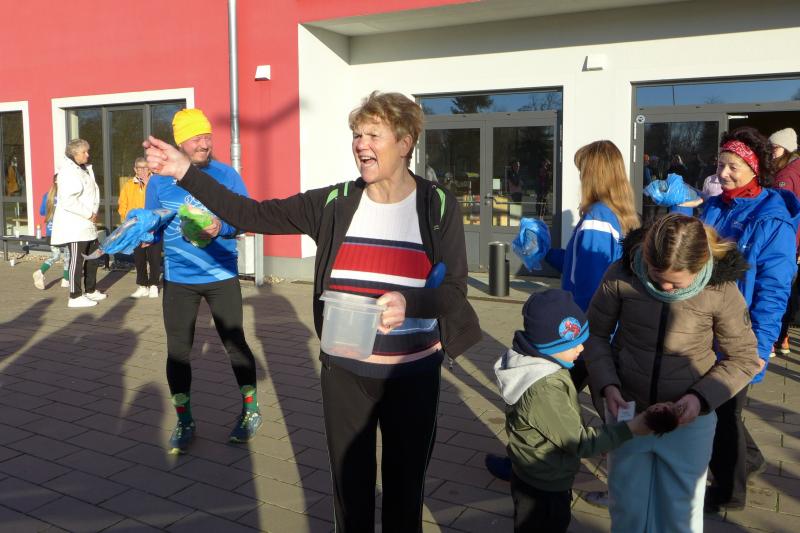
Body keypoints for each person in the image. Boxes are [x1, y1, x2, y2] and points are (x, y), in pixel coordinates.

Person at [144, 91, 481, 533]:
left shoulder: (437, 205)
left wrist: (410, 303)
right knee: (350, 494)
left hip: (412, 373)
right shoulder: (334, 203)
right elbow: (251, 213)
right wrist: (185, 172)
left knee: (404, 495)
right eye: (357, 135)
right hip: (345, 373)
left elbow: (454, 292)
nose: (361, 144)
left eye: (373, 135)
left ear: (405, 142)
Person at [585, 213, 761, 532]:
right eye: (656, 276)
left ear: (700, 266)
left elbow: (743, 357)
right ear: (645, 256)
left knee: (680, 515)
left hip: (689, 421)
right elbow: (595, 335)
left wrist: (699, 399)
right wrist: (607, 385)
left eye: (676, 283)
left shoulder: (720, 289)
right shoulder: (621, 273)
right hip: (628, 411)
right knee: (626, 509)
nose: (664, 287)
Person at [486, 140, 640, 484]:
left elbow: (592, 284)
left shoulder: (598, 218)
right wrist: (545, 252)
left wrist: (569, 334)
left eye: (582, 171)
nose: (579, 178)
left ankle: (622, 477)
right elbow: (578, 264)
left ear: (594, 174)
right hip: (594, 333)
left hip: (584, 334)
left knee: (545, 395)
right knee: (596, 402)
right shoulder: (610, 215)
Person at [145, 108, 261, 454]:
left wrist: (221, 227)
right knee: (178, 351)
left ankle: (251, 410)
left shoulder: (226, 175)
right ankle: (184, 420)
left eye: (207, 136)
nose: (204, 143)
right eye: (196, 137)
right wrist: (141, 232)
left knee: (234, 343)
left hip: (221, 275)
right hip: (178, 278)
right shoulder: (160, 181)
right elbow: (152, 224)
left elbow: (245, 217)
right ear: (180, 143)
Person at [495, 288, 655, 533]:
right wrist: (628, 430)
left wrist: (603, 440)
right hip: (545, 485)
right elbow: (578, 442)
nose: (581, 349)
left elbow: (562, 428)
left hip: (534, 475)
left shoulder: (539, 367)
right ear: (549, 345)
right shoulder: (545, 388)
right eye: (573, 344)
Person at [700, 126, 800, 512]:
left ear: (755, 170)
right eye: (720, 165)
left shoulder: (771, 221)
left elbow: (774, 291)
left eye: (733, 167)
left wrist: (759, 346)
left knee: (723, 412)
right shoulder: (715, 207)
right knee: (722, 408)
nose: (723, 174)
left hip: (739, 335)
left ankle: (729, 492)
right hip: (704, 327)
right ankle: (751, 459)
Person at [50, 139, 106, 308]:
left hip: (87, 224)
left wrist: (92, 214)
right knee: (77, 260)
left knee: (93, 257)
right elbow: (68, 200)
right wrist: (89, 214)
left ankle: (90, 290)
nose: (88, 155)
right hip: (75, 225)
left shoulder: (84, 169)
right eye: (84, 152)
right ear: (74, 154)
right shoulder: (68, 172)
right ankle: (74, 296)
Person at [769, 127, 800, 356]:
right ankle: (784, 338)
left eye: (775, 148)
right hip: (796, 241)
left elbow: (779, 213)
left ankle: (773, 338)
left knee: (777, 287)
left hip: (787, 242)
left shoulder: (785, 176)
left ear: (786, 149)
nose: (771, 152)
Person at [119, 157, 161, 298]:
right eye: (139, 168)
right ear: (135, 169)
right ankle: (142, 285)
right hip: (136, 227)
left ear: (149, 169)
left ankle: (154, 284)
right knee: (139, 257)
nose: (142, 170)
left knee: (154, 256)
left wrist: (156, 220)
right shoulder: (128, 185)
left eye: (145, 168)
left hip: (154, 226)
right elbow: (122, 205)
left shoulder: (156, 183)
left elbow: (162, 203)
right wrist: (129, 218)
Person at [32, 174, 70, 290]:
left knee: (56, 256)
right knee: (68, 255)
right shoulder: (67, 196)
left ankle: (40, 271)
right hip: (64, 231)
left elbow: (42, 212)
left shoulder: (47, 195)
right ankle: (66, 280)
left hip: (51, 231)